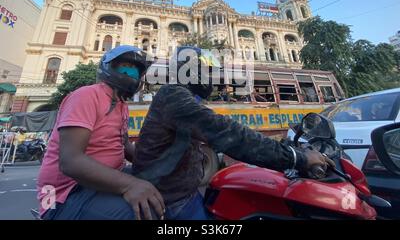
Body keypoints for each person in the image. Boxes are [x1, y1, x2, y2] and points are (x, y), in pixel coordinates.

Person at [132, 46, 334, 220]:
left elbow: (225, 130)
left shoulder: (181, 97)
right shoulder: (173, 96)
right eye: (206, 71)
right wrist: (297, 158)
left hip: (182, 191)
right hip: (172, 200)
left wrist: (286, 146)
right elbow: (230, 134)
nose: (210, 77)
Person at [37, 45, 165, 220]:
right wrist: (130, 185)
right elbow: (70, 161)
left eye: (136, 69)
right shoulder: (86, 95)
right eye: (126, 66)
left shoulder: (121, 105)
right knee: (143, 213)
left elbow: (124, 145)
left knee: (164, 189)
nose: (132, 72)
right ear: (109, 67)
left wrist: (158, 164)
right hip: (61, 195)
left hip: (100, 182)